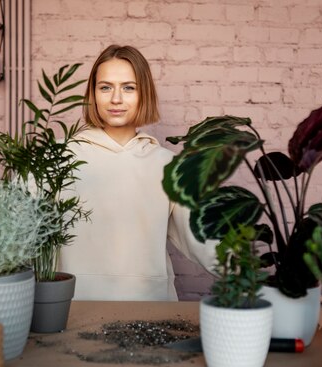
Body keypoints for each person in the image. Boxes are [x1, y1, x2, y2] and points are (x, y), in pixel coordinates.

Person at [58, 44, 217, 301]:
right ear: (93, 94)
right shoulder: (58, 160)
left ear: (144, 94)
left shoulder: (169, 167)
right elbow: (18, 239)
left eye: (129, 88)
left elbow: (205, 242)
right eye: (105, 87)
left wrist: (260, 277)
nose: (116, 99)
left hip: (150, 312)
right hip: (71, 310)